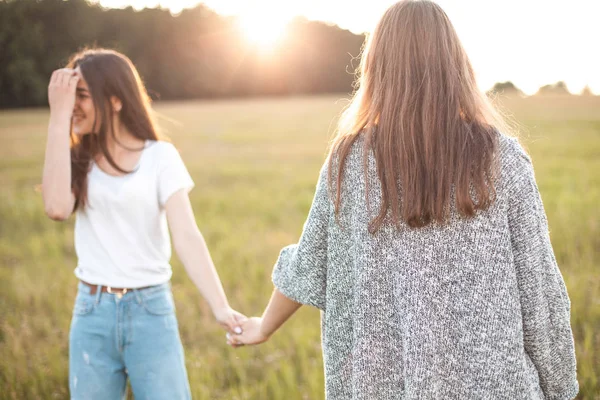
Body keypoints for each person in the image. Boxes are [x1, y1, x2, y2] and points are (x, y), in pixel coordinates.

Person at [228, 1, 579, 399]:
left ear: (376, 70)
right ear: (456, 65)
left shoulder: (349, 163)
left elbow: (309, 262)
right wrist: (560, 388)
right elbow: (541, 292)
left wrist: (264, 325)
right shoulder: (502, 159)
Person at [42, 48, 245, 399]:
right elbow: (57, 207)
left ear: (116, 100)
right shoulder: (79, 156)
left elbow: (186, 235)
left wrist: (220, 306)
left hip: (149, 310)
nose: (73, 104)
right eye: (69, 96)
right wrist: (58, 120)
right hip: (92, 312)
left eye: (83, 95)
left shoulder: (159, 156)